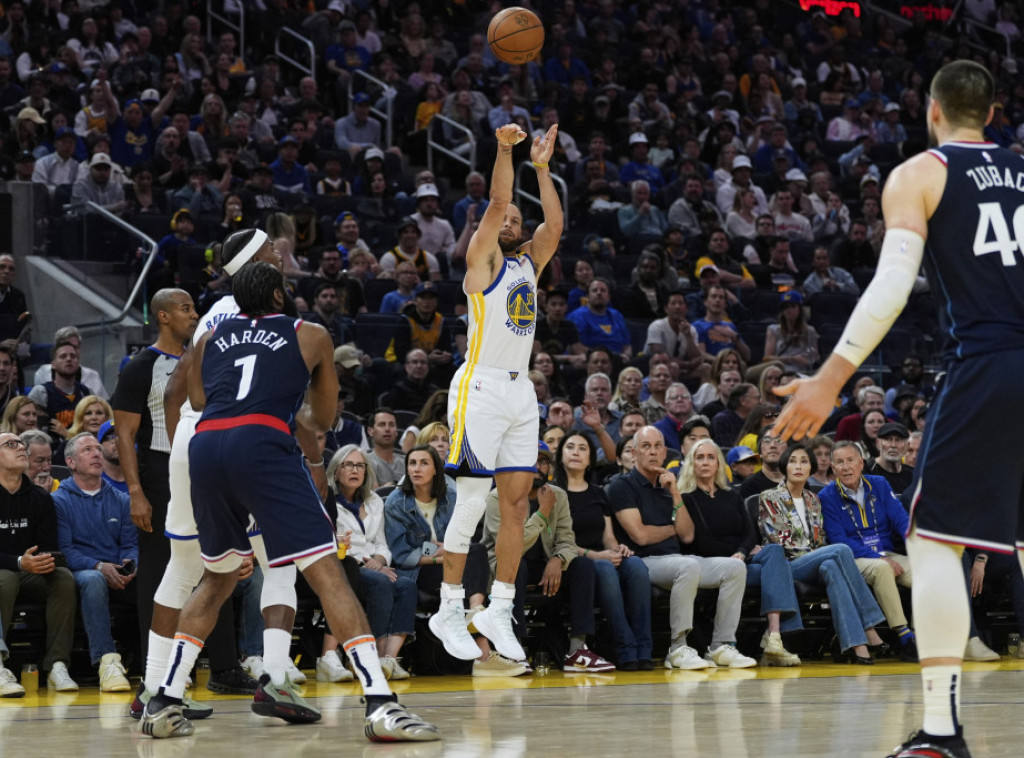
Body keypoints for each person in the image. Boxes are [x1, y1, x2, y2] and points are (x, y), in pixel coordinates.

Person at [140, 262, 439, 742]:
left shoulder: (209, 337)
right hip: (262, 444)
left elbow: (195, 400)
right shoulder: (310, 334)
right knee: (327, 574)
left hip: (206, 447)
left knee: (216, 578)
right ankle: (381, 703)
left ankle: (163, 701)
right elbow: (323, 417)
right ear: (279, 297)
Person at [131, 229, 304, 722]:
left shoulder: (213, 317)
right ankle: (275, 679)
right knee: (280, 563)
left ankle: (155, 686)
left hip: (195, 440)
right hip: (239, 442)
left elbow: (173, 394)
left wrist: (183, 453)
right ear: (253, 262)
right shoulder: (261, 317)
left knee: (184, 569)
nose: (280, 254)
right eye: (271, 248)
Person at [430, 122, 562, 666]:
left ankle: (500, 609)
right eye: (504, 220)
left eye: (516, 222)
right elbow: (499, 199)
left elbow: (554, 224)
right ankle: (449, 606)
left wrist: (543, 169)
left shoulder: (530, 262)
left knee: (515, 504)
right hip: (480, 385)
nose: (510, 222)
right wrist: (506, 151)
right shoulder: (482, 262)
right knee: (470, 499)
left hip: (519, 390)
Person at [606, 426, 754, 670]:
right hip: (643, 561)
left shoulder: (669, 487)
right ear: (634, 452)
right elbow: (640, 536)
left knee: (734, 567)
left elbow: (687, 534)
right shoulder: (622, 486)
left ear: (665, 453)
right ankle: (678, 647)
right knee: (687, 565)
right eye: (646, 446)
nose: (653, 452)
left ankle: (721, 645)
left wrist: (675, 492)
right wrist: (671, 528)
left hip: (676, 559)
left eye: (658, 446)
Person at [111, 289, 201, 677]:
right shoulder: (139, 366)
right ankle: (156, 667)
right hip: (160, 469)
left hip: (204, 468)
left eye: (195, 308)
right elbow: (124, 435)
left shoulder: (205, 358)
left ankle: (222, 666)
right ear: (163, 316)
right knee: (159, 567)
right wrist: (135, 492)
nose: (194, 315)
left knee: (217, 566)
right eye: (186, 309)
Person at [384, 445, 525, 677]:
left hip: (453, 568)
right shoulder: (396, 503)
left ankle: (475, 612)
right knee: (466, 567)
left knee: (476, 551)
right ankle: (484, 655)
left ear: (436, 470)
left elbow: (464, 540)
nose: (416, 468)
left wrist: (448, 553)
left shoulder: (451, 496)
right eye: (412, 463)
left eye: (424, 463)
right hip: (418, 571)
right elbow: (402, 554)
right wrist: (441, 555)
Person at [485, 441, 616, 673]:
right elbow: (509, 549)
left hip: (545, 567)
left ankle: (577, 650)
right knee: (517, 566)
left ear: (550, 467)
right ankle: (514, 649)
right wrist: (543, 512)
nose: (537, 466)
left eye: (543, 461)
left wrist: (558, 560)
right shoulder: (499, 497)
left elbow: (567, 541)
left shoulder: (558, 495)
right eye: (531, 459)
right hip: (504, 568)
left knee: (583, 566)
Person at [758, 443, 889, 664]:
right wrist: (818, 553)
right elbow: (779, 541)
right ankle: (869, 626)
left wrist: (819, 554)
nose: (798, 466)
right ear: (784, 466)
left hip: (817, 562)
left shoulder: (813, 499)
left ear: (811, 467)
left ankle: (856, 644)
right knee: (840, 550)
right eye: (793, 461)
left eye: (804, 462)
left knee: (831, 567)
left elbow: (819, 539)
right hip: (787, 565)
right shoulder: (770, 497)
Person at [679, 438, 802, 666]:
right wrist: (736, 554)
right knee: (778, 571)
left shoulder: (731, 494)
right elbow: (700, 542)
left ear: (718, 463)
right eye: (699, 457)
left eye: (711, 457)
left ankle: (774, 636)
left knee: (775, 551)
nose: (705, 462)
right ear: (691, 463)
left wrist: (742, 552)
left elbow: (749, 534)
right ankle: (774, 638)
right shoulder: (687, 498)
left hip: (741, 560)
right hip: (711, 565)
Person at [817, 442, 919, 663]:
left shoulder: (880, 484)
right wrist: (879, 558)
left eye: (850, 460)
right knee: (882, 569)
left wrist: (918, 548)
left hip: (887, 553)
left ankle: (924, 634)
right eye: (839, 462)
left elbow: (901, 520)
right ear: (833, 468)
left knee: (926, 572)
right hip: (855, 559)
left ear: (861, 463)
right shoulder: (826, 496)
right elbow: (839, 540)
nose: (846, 467)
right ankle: (904, 637)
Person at [324, 445, 416, 681]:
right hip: (347, 566)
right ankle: (366, 654)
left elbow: (382, 543)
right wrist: (367, 563)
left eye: (360, 465)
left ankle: (389, 659)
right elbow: (330, 544)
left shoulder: (375, 500)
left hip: (375, 564)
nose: (355, 470)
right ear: (336, 472)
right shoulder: (328, 502)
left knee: (406, 585)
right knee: (379, 583)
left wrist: (379, 560)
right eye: (348, 465)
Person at [52, 432, 135, 691]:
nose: (97, 453)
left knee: (154, 578)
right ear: (71, 462)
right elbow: (65, 551)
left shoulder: (121, 499)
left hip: (118, 571)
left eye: (98, 449)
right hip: (82, 571)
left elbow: (131, 544)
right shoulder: (58, 500)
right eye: (87, 450)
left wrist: (131, 564)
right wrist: (98, 566)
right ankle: (107, 662)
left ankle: (158, 661)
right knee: (93, 580)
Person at [0, 431, 78, 692]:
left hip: (29, 571)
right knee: (5, 579)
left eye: (21, 444)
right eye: (11, 444)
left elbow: (48, 546)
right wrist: (19, 561)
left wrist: (44, 560)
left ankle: (57, 664)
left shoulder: (40, 497)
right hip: (6, 572)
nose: (21, 448)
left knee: (63, 578)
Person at [764, 291, 819, 373]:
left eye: (793, 306)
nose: (789, 310)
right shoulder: (773, 330)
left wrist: (810, 356)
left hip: (801, 372)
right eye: (786, 307)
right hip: (779, 371)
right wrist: (792, 359)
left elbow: (815, 357)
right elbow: (767, 359)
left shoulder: (809, 331)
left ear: (800, 309)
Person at [366, 408, 405, 487]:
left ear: (396, 432)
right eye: (382, 424)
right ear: (370, 431)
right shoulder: (365, 463)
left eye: (391, 425)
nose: (387, 429)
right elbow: (373, 493)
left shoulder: (407, 461)